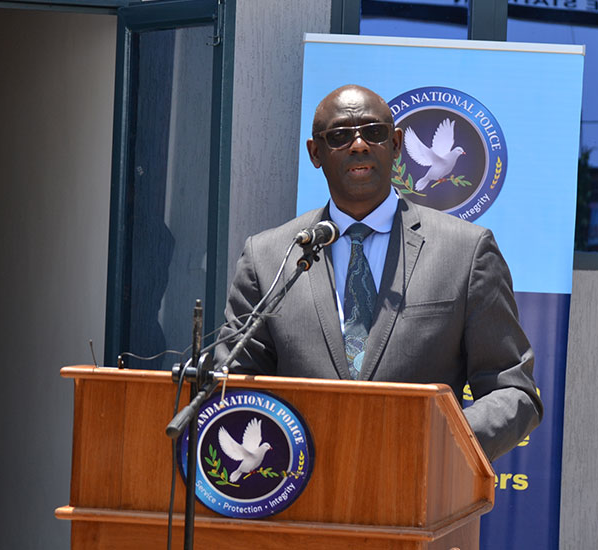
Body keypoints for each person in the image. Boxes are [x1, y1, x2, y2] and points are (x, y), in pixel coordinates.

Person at [215, 84, 542, 461]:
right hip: (298, 493)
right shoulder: (269, 256)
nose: (358, 145)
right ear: (315, 153)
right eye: (339, 136)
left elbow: (513, 390)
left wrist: (444, 446)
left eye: (373, 132)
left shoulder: (465, 251)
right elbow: (234, 381)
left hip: (420, 493)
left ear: (397, 144)